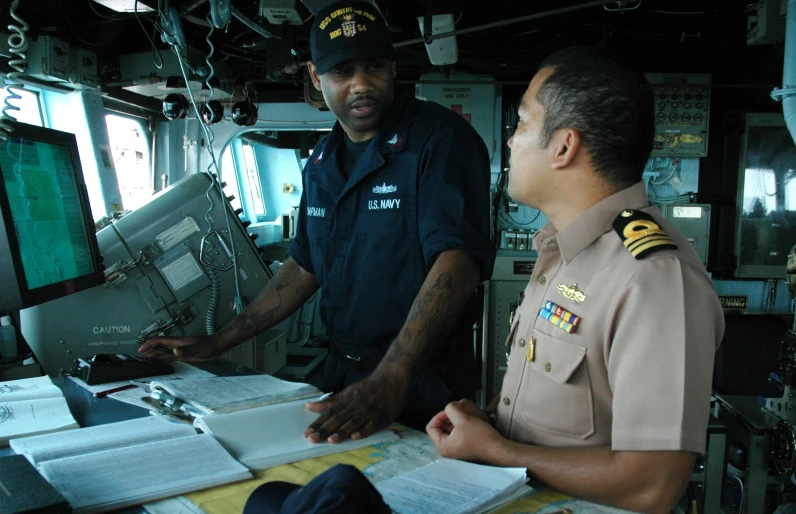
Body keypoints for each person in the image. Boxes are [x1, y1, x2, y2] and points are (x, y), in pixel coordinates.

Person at [140, 0, 495, 444]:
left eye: (374, 67)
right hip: (343, 372)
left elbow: (457, 264)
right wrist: (219, 341)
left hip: (421, 379)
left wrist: (393, 375)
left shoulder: (439, 141)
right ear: (315, 77)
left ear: (393, 67)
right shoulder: (323, 162)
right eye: (343, 73)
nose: (361, 85)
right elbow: (305, 265)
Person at [425, 46, 724, 514]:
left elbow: (653, 485)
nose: (510, 141)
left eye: (521, 121)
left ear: (564, 146)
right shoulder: (562, 252)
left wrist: (496, 452)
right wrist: (491, 426)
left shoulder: (653, 278)